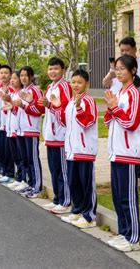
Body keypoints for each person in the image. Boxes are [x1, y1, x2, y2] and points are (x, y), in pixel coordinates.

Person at [104, 54, 140, 252]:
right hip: (115, 151)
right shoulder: (118, 92)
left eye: (122, 69)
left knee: (128, 197)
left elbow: (131, 123)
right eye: (116, 69)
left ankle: (133, 237)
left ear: (133, 71)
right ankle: (124, 232)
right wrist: (111, 109)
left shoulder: (134, 94)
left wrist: (115, 109)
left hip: (128, 152)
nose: (118, 72)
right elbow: (107, 121)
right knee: (118, 196)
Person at [51, 69, 98, 229]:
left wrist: (79, 108)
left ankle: (89, 216)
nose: (76, 85)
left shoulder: (88, 101)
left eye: (79, 82)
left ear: (87, 84)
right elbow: (64, 123)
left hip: (85, 150)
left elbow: (87, 123)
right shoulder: (70, 103)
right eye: (73, 82)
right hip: (71, 150)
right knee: (74, 182)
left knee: (86, 184)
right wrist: (57, 108)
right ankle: (77, 210)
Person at [36, 57, 73, 214]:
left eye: (56, 68)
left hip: (61, 136)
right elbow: (46, 111)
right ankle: (57, 198)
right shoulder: (50, 87)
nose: (53, 71)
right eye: (50, 69)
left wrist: (50, 105)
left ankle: (65, 200)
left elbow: (64, 111)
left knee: (62, 171)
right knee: (54, 169)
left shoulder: (64, 87)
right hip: (51, 136)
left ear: (63, 70)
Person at [10, 66, 43, 197]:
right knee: (25, 159)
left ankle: (37, 186)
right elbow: (17, 111)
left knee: (33, 159)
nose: (23, 78)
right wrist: (12, 105)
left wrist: (24, 105)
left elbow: (39, 111)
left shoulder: (35, 91)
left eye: (25, 75)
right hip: (21, 130)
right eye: (21, 75)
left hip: (31, 129)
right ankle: (30, 183)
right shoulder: (21, 91)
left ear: (31, 76)